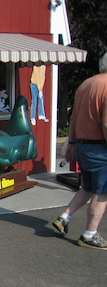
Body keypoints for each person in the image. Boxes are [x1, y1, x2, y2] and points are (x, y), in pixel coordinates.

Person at [52, 52, 107, 250]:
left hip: (83, 146)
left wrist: (72, 144)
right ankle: (89, 234)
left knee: (88, 187)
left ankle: (64, 216)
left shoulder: (85, 85)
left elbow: (73, 117)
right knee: (101, 194)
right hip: (100, 148)